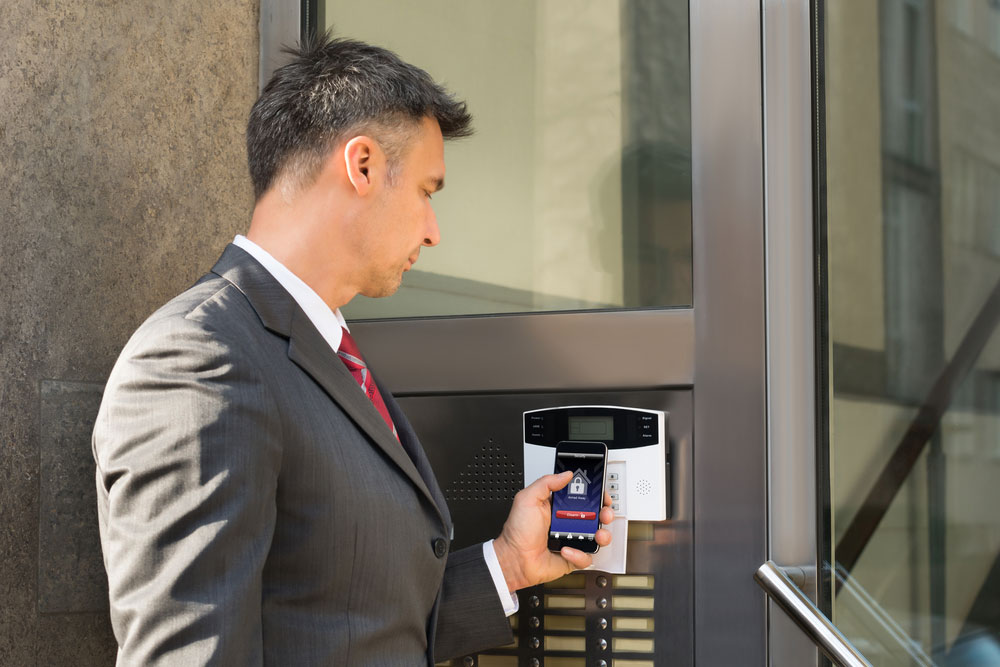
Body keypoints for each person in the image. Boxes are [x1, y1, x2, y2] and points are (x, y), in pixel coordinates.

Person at [93, 33, 613, 666]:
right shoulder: (199, 362)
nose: (434, 230)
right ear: (361, 165)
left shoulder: (325, 350)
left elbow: (355, 625)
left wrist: (509, 563)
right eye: (428, 191)